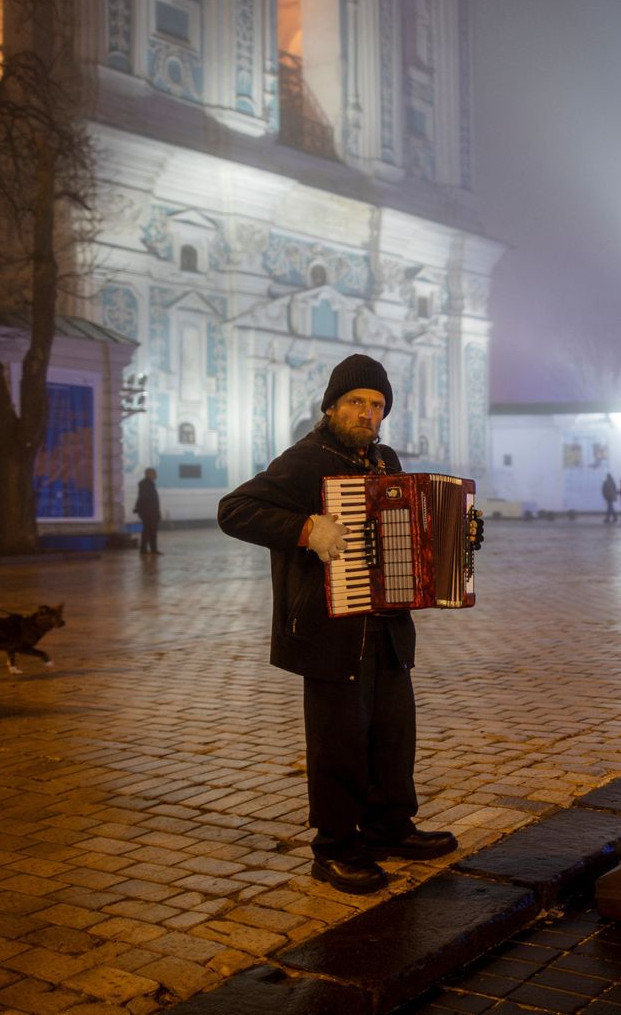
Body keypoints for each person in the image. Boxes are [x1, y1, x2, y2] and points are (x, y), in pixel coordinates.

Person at [217, 354, 462, 894]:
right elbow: (234, 509)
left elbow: (413, 530)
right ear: (331, 406)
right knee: (338, 742)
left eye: (377, 405)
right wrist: (307, 529)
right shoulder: (306, 460)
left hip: (388, 626)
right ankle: (334, 848)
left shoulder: (386, 459)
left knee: (393, 735)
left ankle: (389, 827)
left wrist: (455, 535)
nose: (367, 414)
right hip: (330, 631)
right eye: (356, 402)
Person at [133, 468, 161, 555]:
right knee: (149, 531)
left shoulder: (149, 484)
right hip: (149, 512)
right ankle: (146, 549)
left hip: (150, 512)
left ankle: (151, 549)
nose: (156, 475)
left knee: (150, 531)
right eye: (154, 473)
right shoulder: (146, 484)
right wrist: (142, 510)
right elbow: (143, 499)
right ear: (149, 474)